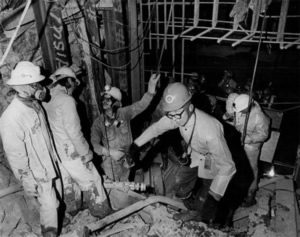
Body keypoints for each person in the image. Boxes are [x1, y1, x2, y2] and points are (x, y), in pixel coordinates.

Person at [128, 82, 236, 223]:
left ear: (190, 108)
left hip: (213, 160)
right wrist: (135, 146)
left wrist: (214, 197)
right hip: (195, 154)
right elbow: (156, 129)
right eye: (170, 115)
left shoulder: (210, 131)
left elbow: (228, 166)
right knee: (179, 185)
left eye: (176, 115)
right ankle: (194, 208)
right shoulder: (178, 115)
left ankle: (201, 214)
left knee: (208, 193)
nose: (173, 119)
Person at [0, 61, 62, 237]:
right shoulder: (11, 118)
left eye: (38, 83)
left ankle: (50, 226)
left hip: (49, 163)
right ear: (20, 86)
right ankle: (49, 233)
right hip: (36, 170)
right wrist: (27, 179)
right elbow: (15, 156)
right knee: (50, 205)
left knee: (54, 204)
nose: (38, 87)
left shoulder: (34, 104)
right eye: (33, 84)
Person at [43, 66, 111, 219]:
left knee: (69, 183)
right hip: (71, 151)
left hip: (57, 152)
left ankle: (73, 210)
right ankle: (103, 212)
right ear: (68, 81)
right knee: (93, 180)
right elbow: (74, 132)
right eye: (73, 83)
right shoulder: (67, 100)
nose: (74, 87)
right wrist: (86, 153)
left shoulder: (48, 98)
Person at [90, 73, 160, 182]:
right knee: (115, 189)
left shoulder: (124, 113)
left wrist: (151, 88)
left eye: (108, 100)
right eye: (103, 99)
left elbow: (141, 105)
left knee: (126, 184)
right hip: (111, 164)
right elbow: (94, 144)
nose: (104, 102)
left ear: (117, 103)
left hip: (127, 160)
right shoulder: (98, 122)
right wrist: (109, 152)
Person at [228, 94, 271, 207]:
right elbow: (232, 99)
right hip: (238, 140)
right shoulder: (241, 104)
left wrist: (248, 139)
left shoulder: (259, 117)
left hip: (251, 146)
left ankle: (250, 196)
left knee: (251, 169)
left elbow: (263, 135)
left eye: (242, 111)